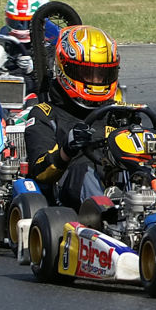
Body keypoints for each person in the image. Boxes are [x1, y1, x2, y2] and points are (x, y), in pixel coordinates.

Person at [24, 25, 119, 210]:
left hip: (115, 182)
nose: (96, 81)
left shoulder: (116, 114)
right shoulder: (45, 114)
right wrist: (66, 150)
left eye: (102, 74)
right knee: (84, 169)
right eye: (87, 73)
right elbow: (39, 172)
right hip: (67, 196)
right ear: (64, 68)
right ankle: (108, 216)